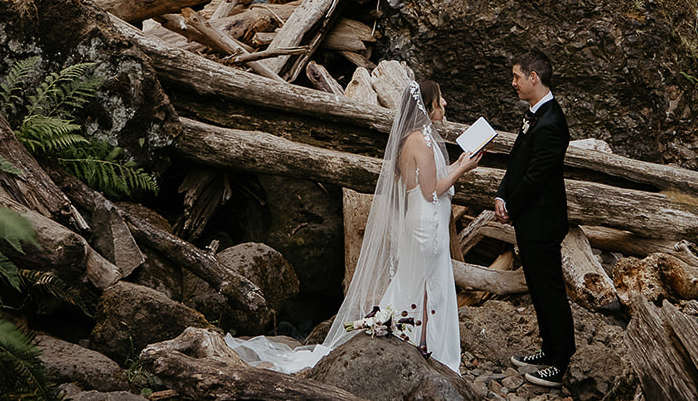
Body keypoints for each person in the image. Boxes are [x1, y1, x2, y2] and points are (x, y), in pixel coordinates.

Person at [226, 78, 482, 373]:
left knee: (420, 281)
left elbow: (429, 180)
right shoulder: (421, 141)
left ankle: (418, 342)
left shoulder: (416, 137)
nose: (445, 104)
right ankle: (423, 346)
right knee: (427, 283)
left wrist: (459, 162)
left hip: (424, 220)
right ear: (428, 105)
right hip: (427, 221)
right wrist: (463, 169)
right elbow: (430, 190)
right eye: (441, 98)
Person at [495, 49, 574, 389]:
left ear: (533, 77)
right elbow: (517, 164)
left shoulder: (552, 122)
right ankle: (547, 350)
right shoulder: (534, 115)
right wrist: (501, 195)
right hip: (529, 220)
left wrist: (511, 206)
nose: (512, 83)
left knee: (551, 292)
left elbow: (537, 177)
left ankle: (561, 361)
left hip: (542, 222)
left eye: (516, 76)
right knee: (538, 291)